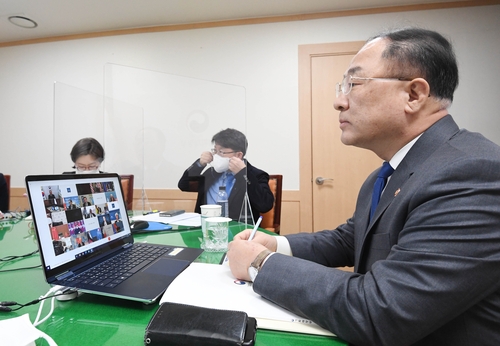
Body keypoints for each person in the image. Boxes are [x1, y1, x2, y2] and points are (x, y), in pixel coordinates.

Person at [227, 27, 500, 345]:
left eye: (353, 84)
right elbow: (351, 238)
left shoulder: (472, 172)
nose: (338, 102)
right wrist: (277, 245)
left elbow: (383, 312)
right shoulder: (387, 173)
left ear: (414, 95)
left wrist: (261, 264)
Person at [178, 128, 274, 222]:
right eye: (215, 151)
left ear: (238, 155)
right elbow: (184, 185)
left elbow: (264, 205)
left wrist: (242, 173)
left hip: (238, 231)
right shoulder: (211, 173)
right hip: (206, 227)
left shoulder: (256, 175)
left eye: (221, 152)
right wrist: (199, 164)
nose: (216, 155)